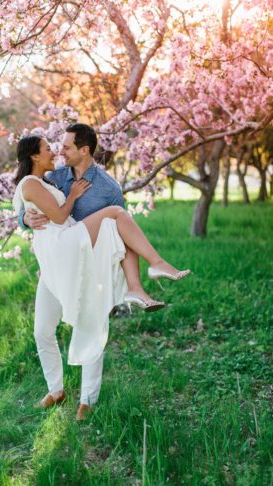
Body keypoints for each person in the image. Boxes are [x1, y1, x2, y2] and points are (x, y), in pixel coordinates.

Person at [15, 124, 189, 420]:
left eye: (66, 146)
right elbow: (28, 203)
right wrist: (25, 219)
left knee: (91, 322)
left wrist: (129, 276)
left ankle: (87, 400)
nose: (59, 151)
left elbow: (125, 234)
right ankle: (56, 390)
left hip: (88, 261)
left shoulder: (108, 188)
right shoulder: (55, 177)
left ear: (84, 150)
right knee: (42, 330)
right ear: (35, 155)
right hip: (56, 262)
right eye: (52, 148)